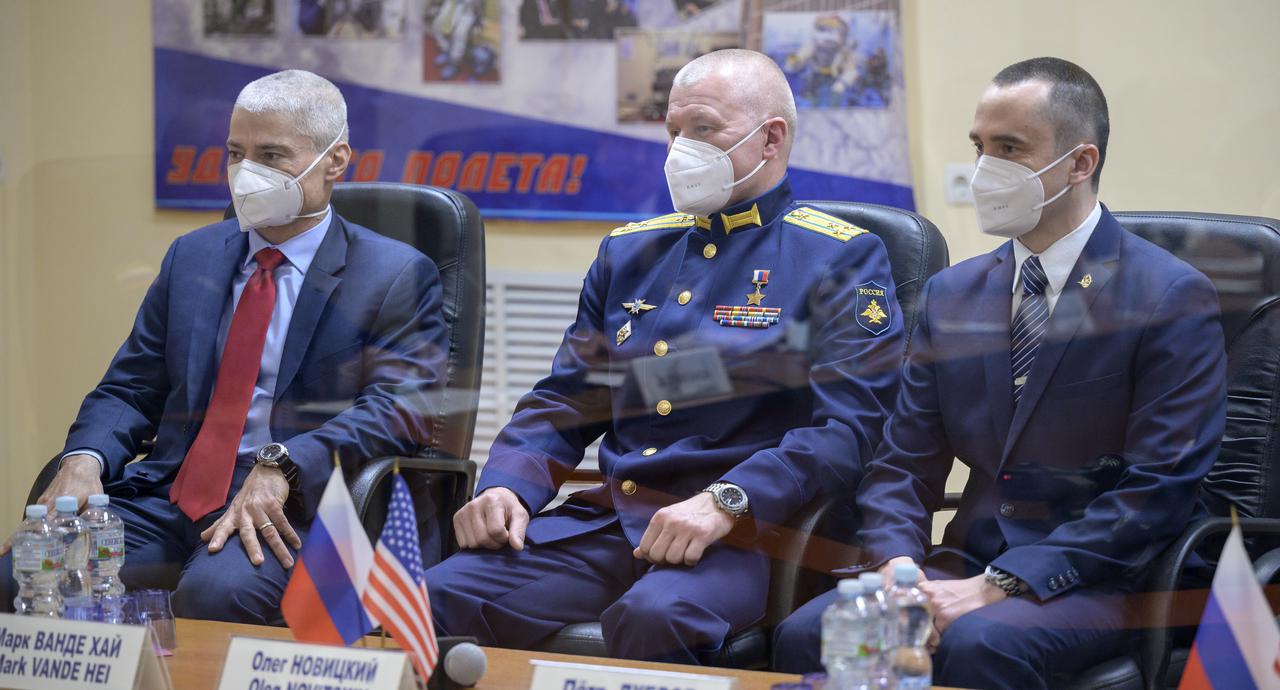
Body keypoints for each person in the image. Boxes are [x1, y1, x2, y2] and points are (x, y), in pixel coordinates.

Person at [425, 48, 904, 663]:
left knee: (654, 619)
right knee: (435, 596)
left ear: (771, 138)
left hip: (747, 531)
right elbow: (569, 397)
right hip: (614, 518)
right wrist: (507, 488)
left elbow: (850, 429)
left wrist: (728, 500)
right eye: (674, 131)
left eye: (704, 130)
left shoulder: (838, 256)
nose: (681, 148)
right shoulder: (629, 253)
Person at [772, 57, 1227, 688]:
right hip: (964, 560)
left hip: (1108, 577)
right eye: (979, 146)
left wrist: (1003, 584)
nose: (985, 168)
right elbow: (904, 462)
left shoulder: (1169, 295)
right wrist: (897, 569)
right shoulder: (951, 294)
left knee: (980, 646)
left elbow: (1159, 487)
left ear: (1080, 163)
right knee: (813, 635)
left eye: (1010, 148)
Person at [0, 69, 449, 624]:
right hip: (171, 492)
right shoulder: (193, 257)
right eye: (235, 153)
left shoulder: (394, 274)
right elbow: (132, 385)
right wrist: (83, 460)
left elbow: (398, 410)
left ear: (335, 161)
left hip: (296, 500)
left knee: (216, 598)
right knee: (20, 574)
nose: (246, 174)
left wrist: (283, 465)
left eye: (271, 155)